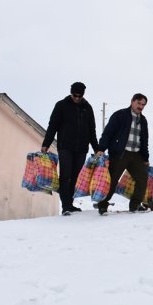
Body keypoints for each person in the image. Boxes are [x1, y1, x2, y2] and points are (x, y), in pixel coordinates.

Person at [41, 82, 99, 216]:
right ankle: (65, 206)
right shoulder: (61, 105)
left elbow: (92, 130)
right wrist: (46, 144)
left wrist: (96, 148)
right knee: (65, 176)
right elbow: (53, 126)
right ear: (71, 92)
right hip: (65, 146)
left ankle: (70, 203)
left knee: (76, 177)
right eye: (75, 95)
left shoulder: (87, 107)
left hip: (82, 147)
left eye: (80, 96)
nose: (77, 98)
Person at [95, 93, 150, 215]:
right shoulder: (120, 115)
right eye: (138, 103)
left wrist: (145, 158)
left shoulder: (143, 120)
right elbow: (108, 133)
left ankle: (135, 205)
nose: (140, 106)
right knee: (112, 180)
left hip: (136, 154)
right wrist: (101, 148)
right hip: (120, 153)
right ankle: (103, 205)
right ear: (132, 101)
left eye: (143, 105)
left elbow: (145, 141)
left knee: (142, 178)